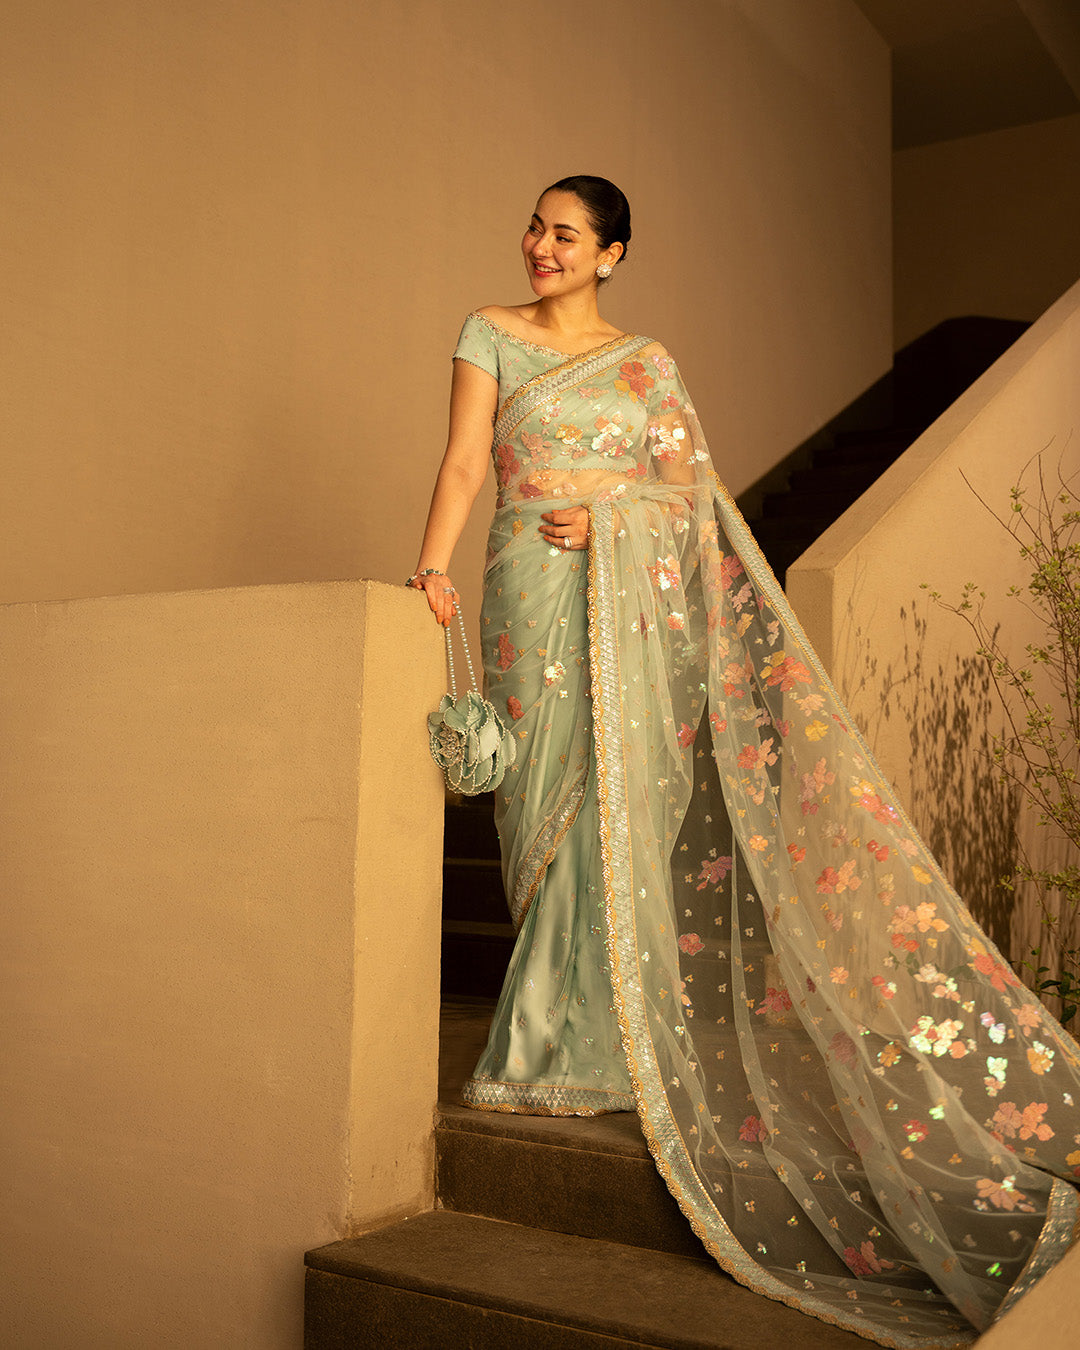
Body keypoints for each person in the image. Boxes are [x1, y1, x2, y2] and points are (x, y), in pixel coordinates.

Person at [407, 175, 1080, 1348]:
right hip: (527, 590)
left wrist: (610, 519)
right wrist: (432, 564)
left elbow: (690, 501)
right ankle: (568, 1032)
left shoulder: (647, 365)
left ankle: (577, 1047)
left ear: (612, 253)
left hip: (618, 600)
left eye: (565, 234)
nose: (540, 246)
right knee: (540, 806)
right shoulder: (490, 334)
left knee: (615, 808)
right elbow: (466, 462)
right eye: (535, 227)